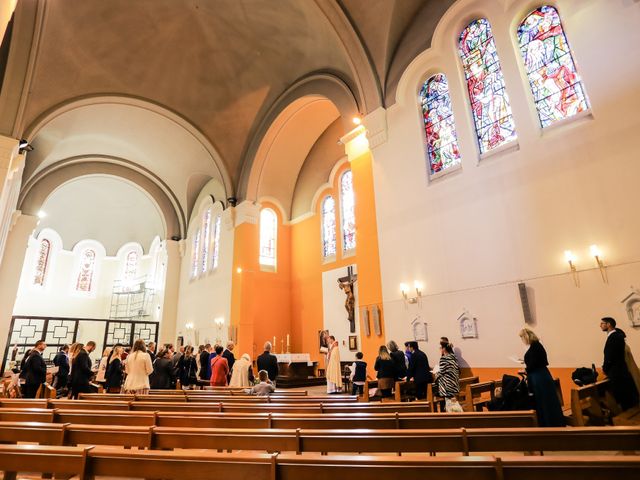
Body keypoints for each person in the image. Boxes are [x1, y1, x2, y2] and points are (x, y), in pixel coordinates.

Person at [519, 328, 564, 427]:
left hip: (538, 377)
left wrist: (526, 370)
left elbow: (535, 364)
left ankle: (547, 424)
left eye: (522, 338)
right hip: (542, 375)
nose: (522, 340)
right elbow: (538, 361)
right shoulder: (537, 346)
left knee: (543, 401)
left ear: (526, 337)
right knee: (546, 400)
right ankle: (550, 422)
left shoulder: (535, 347)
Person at [600, 317, 639, 410]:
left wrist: (605, 369)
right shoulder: (617, 336)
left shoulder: (614, 337)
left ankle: (628, 420)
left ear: (609, 324)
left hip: (617, 374)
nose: (600, 325)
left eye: (602, 323)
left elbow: (610, 356)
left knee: (624, 400)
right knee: (627, 399)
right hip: (621, 372)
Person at [434, 341, 461, 412]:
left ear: (444, 349)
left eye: (440, 348)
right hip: (454, 383)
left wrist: (435, 374)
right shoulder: (454, 357)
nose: (440, 349)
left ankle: (450, 417)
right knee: (453, 402)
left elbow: (441, 372)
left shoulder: (444, 359)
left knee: (449, 404)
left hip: (447, 385)